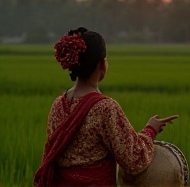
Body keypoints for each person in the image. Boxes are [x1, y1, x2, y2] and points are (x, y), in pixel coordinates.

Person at [34, 27, 178, 187]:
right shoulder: (105, 108)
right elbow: (133, 159)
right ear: (102, 64)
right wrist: (151, 129)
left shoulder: (58, 105)